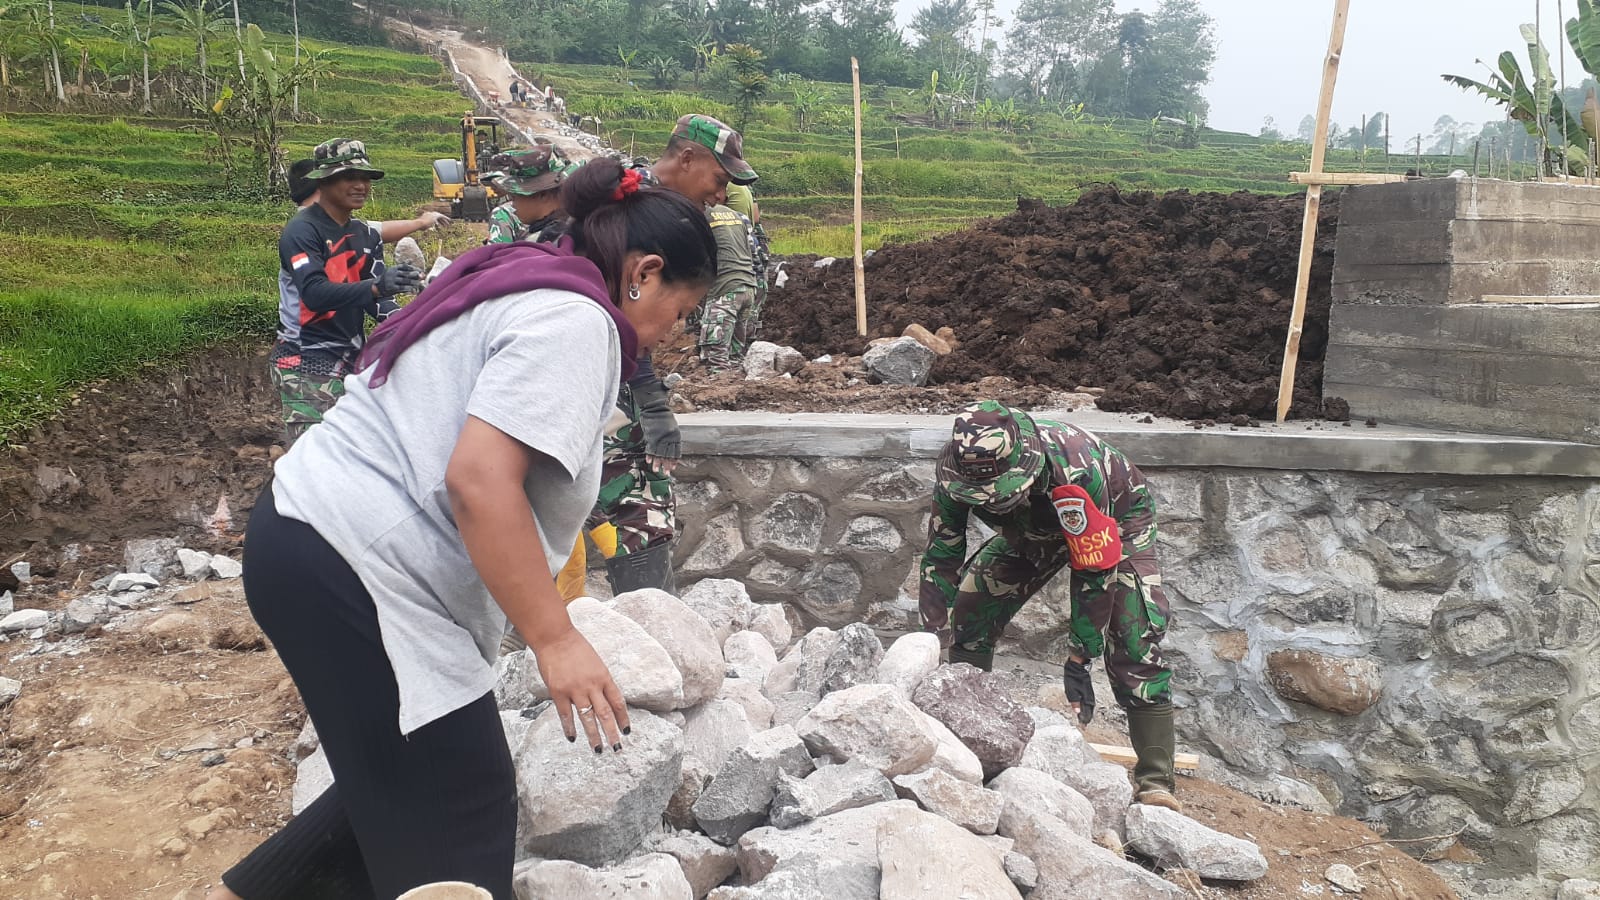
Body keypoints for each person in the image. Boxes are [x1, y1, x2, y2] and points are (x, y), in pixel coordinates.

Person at [206, 159, 717, 900]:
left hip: (313, 538)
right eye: (681, 311)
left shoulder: (523, 276)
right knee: (462, 806)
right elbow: (479, 481)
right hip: (360, 566)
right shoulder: (577, 322)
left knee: (399, 777)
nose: (672, 335)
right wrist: (556, 639)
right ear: (643, 272)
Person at [919, 400, 1182, 811]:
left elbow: (1094, 570)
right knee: (971, 611)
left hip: (1117, 525)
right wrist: (931, 639)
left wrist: (1080, 656)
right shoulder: (956, 470)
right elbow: (941, 557)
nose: (990, 503)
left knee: (1133, 638)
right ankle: (964, 740)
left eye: (1000, 494)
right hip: (1031, 532)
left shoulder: (1074, 468)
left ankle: (1155, 781)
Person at [272, 140, 429, 447]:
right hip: (306, 360)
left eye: (365, 178)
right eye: (349, 177)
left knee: (353, 453)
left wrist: (412, 317)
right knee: (313, 459)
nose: (360, 185)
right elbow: (314, 294)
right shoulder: (302, 231)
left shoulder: (362, 233)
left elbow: (376, 299)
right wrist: (377, 286)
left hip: (350, 358)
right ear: (324, 180)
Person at [482, 146, 574, 245]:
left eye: (515, 197)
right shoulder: (576, 227)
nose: (513, 205)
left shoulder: (545, 242)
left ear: (543, 195)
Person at [724, 182, 773, 353]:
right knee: (755, 294)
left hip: (736, 244)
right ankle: (747, 341)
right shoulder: (746, 187)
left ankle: (731, 346)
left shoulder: (723, 186)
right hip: (755, 244)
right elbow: (757, 216)